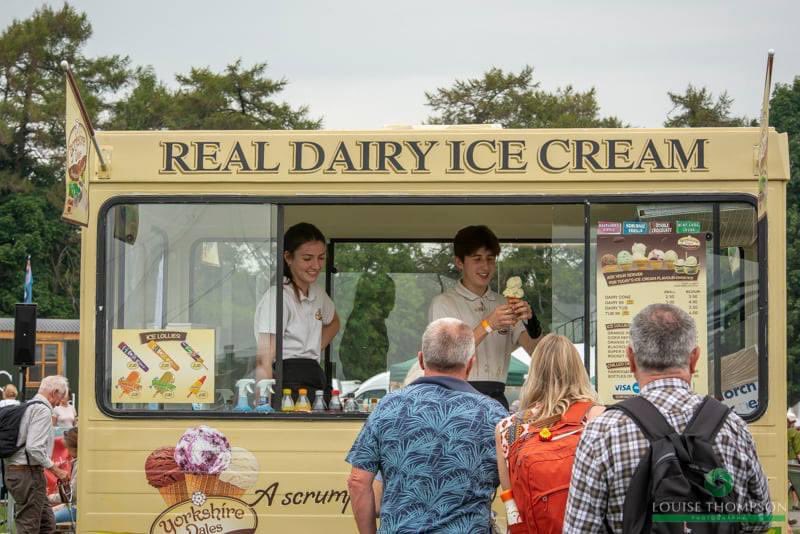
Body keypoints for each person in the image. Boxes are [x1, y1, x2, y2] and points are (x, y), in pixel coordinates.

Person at [564, 304, 770, 533]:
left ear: (630, 358)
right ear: (694, 358)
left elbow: (579, 529)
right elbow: (760, 519)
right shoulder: (734, 427)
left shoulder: (601, 433)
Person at [346, 318, 507, 533]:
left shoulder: (388, 407)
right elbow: (515, 484)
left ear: (421, 360)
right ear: (470, 364)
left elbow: (358, 481)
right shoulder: (493, 415)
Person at [495, 334, 604, 529]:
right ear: (578, 371)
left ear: (534, 373)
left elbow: (511, 502)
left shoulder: (508, 427)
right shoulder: (599, 418)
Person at [428, 225, 542, 409]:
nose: (485, 266)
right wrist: (488, 324)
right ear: (459, 262)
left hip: (497, 398)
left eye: (490, 259)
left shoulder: (505, 302)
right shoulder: (444, 303)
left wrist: (531, 321)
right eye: (477, 259)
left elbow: (536, 352)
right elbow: (446, 357)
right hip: (456, 398)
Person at [254, 222, 340, 398]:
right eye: (307, 258)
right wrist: (262, 406)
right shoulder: (278, 297)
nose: (316, 266)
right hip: (287, 379)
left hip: (314, 374)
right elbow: (264, 362)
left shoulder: (318, 293)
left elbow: (334, 322)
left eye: (321, 258)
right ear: (288, 257)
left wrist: (311, 349)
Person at [4, 375, 70, 534]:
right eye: (60, 398)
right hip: (28, 474)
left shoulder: (28, 406)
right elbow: (34, 447)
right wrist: (57, 470)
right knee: (30, 526)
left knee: (46, 524)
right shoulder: (42, 410)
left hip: (21, 473)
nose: (58, 404)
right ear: (54, 392)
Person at [48, 427, 77, 524]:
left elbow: (72, 495)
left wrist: (48, 498)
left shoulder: (79, 465)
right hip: (75, 506)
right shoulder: (77, 463)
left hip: (77, 509)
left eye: (67, 448)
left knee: (46, 520)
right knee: (47, 513)